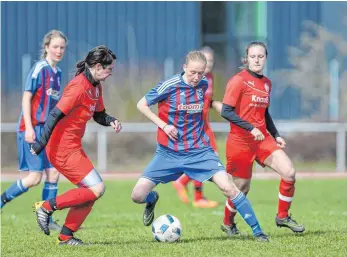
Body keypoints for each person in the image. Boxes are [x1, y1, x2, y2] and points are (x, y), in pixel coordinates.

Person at [131, 50, 269, 242]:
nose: (196, 77)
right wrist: (164, 125)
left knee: (229, 188)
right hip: (168, 153)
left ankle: (258, 232)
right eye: (192, 72)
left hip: (199, 151)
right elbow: (141, 104)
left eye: (200, 73)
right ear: (184, 68)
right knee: (137, 195)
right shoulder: (169, 85)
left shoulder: (203, 85)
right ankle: (152, 199)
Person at [30, 45, 121, 246]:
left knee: (89, 193)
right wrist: (40, 143)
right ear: (97, 66)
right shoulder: (78, 86)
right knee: (97, 188)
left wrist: (111, 120)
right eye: (109, 69)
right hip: (61, 148)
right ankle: (45, 207)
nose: (110, 73)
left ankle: (66, 237)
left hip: (73, 147)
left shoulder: (96, 87)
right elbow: (55, 114)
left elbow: (98, 114)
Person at [220, 41, 305, 236]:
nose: (257, 60)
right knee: (241, 188)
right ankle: (227, 223)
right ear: (246, 58)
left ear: (265, 58)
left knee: (289, 172)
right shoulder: (238, 80)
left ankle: (282, 216)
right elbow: (226, 111)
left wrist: (276, 135)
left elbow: (265, 113)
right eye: (253, 56)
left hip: (262, 139)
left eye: (261, 56)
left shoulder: (267, 83)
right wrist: (250, 128)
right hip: (240, 142)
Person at [1, 30, 67, 231]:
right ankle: (2, 200)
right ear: (46, 47)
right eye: (55, 46)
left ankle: (45, 218)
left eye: (62, 47)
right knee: (34, 178)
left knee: (53, 173)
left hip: (47, 132)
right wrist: (29, 128)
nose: (59, 51)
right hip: (32, 129)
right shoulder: (40, 68)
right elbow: (26, 97)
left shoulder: (58, 73)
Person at [173, 46, 222, 208]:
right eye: (205, 60)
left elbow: (207, 100)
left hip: (205, 124)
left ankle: (184, 182)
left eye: (211, 60)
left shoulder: (210, 78)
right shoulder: (193, 79)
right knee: (206, 158)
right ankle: (198, 197)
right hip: (195, 126)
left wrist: (215, 104)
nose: (209, 63)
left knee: (211, 157)